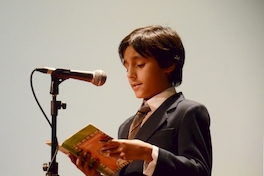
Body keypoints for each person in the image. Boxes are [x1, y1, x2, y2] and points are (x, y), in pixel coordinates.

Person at [69, 25, 212, 176]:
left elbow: (200, 171)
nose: (130, 74)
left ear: (169, 64)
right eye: (126, 67)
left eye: (139, 65)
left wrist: (148, 152)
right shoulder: (126, 126)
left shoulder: (187, 111)